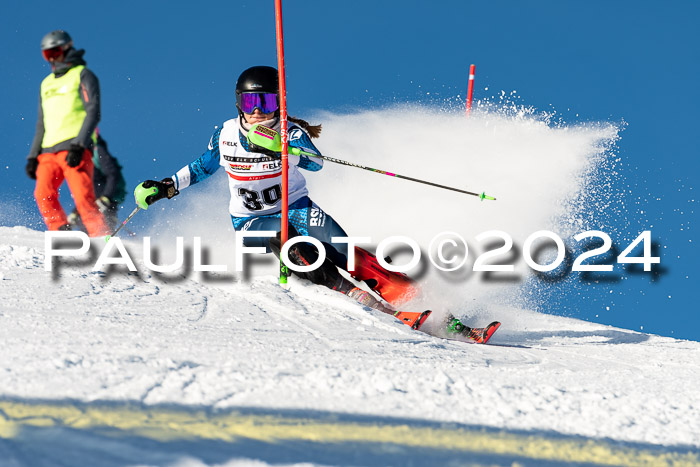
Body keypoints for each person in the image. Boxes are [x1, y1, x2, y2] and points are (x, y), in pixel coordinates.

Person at [136, 66, 493, 341]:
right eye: (250, 104)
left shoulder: (289, 131)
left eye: (266, 103)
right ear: (238, 105)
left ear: (279, 102)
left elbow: (317, 162)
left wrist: (288, 149)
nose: (258, 113)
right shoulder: (226, 134)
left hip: (298, 207)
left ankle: (437, 315)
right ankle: (352, 294)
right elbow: (202, 167)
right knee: (287, 236)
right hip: (251, 224)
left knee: (348, 252)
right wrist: (167, 186)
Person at [25, 30, 109, 237]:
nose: (52, 57)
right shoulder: (46, 84)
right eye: (47, 54)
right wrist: (33, 155)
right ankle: (62, 234)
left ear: (66, 48)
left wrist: (80, 144)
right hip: (48, 150)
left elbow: (93, 111)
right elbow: (41, 123)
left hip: (74, 147)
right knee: (43, 194)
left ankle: (103, 241)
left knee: (83, 199)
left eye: (54, 51)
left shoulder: (82, 74)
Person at [67, 132, 127, 231]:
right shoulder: (84, 157)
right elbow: (88, 188)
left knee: (100, 233)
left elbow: (112, 174)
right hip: (91, 205)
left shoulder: (97, 151)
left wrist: (106, 197)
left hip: (104, 205)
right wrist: (75, 212)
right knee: (88, 235)